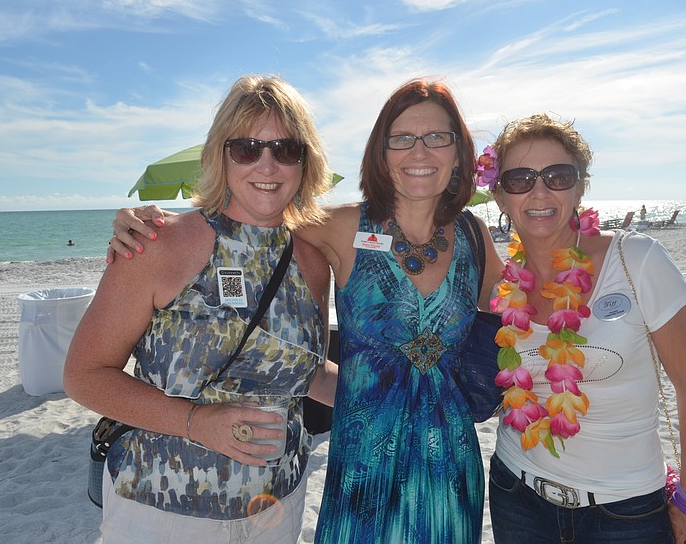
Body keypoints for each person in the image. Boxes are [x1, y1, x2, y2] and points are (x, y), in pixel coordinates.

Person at [109, 78, 504, 543]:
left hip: (450, 462)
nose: (420, 151)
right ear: (381, 152)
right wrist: (142, 227)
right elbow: (250, 221)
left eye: (438, 137)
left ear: (459, 152)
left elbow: (523, 312)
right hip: (363, 466)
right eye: (401, 138)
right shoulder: (335, 228)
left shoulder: (474, 238)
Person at [63, 75, 338, 543]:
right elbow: (84, 374)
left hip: (278, 503)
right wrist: (196, 423)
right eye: (247, 148)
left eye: (285, 149)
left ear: (305, 160)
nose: (267, 164)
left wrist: (397, 401)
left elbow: (304, 372)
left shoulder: (311, 258)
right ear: (221, 154)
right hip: (161, 508)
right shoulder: (156, 243)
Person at [483, 113, 686, 543]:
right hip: (517, 493)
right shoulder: (499, 283)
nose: (539, 191)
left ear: (580, 186)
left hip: (626, 510)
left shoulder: (637, 259)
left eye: (557, 175)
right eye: (519, 179)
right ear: (499, 195)